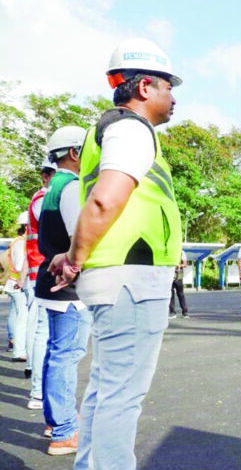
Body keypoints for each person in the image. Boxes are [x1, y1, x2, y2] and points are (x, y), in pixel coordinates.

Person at [46, 38, 184, 469]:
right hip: (132, 278)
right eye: (167, 86)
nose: (173, 97)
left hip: (116, 274)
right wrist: (75, 257)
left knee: (106, 389)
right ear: (145, 87)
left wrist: (73, 252)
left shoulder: (104, 131)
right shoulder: (130, 129)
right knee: (122, 395)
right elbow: (105, 201)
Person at [34, 125, 91, 456]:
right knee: (67, 355)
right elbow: (79, 239)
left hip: (51, 280)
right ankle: (65, 430)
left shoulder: (51, 187)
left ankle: (56, 420)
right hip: (67, 286)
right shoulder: (71, 187)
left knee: (57, 354)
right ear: (74, 153)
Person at [24, 160, 56, 382]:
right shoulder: (43, 199)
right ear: (45, 176)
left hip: (40, 268)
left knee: (37, 326)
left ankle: (36, 381)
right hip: (41, 269)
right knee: (41, 329)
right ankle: (38, 389)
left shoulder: (40, 198)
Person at [5, 212, 29, 362]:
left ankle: (13, 341)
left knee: (15, 314)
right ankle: (19, 351)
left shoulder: (17, 241)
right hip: (18, 283)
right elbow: (21, 264)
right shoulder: (22, 243)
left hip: (12, 282)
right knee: (23, 317)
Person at [169, 250, 189, 319]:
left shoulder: (181, 252)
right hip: (169, 276)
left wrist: (180, 266)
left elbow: (185, 264)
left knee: (181, 294)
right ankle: (172, 312)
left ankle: (185, 312)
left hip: (178, 277)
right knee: (170, 295)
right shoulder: (168, 252)